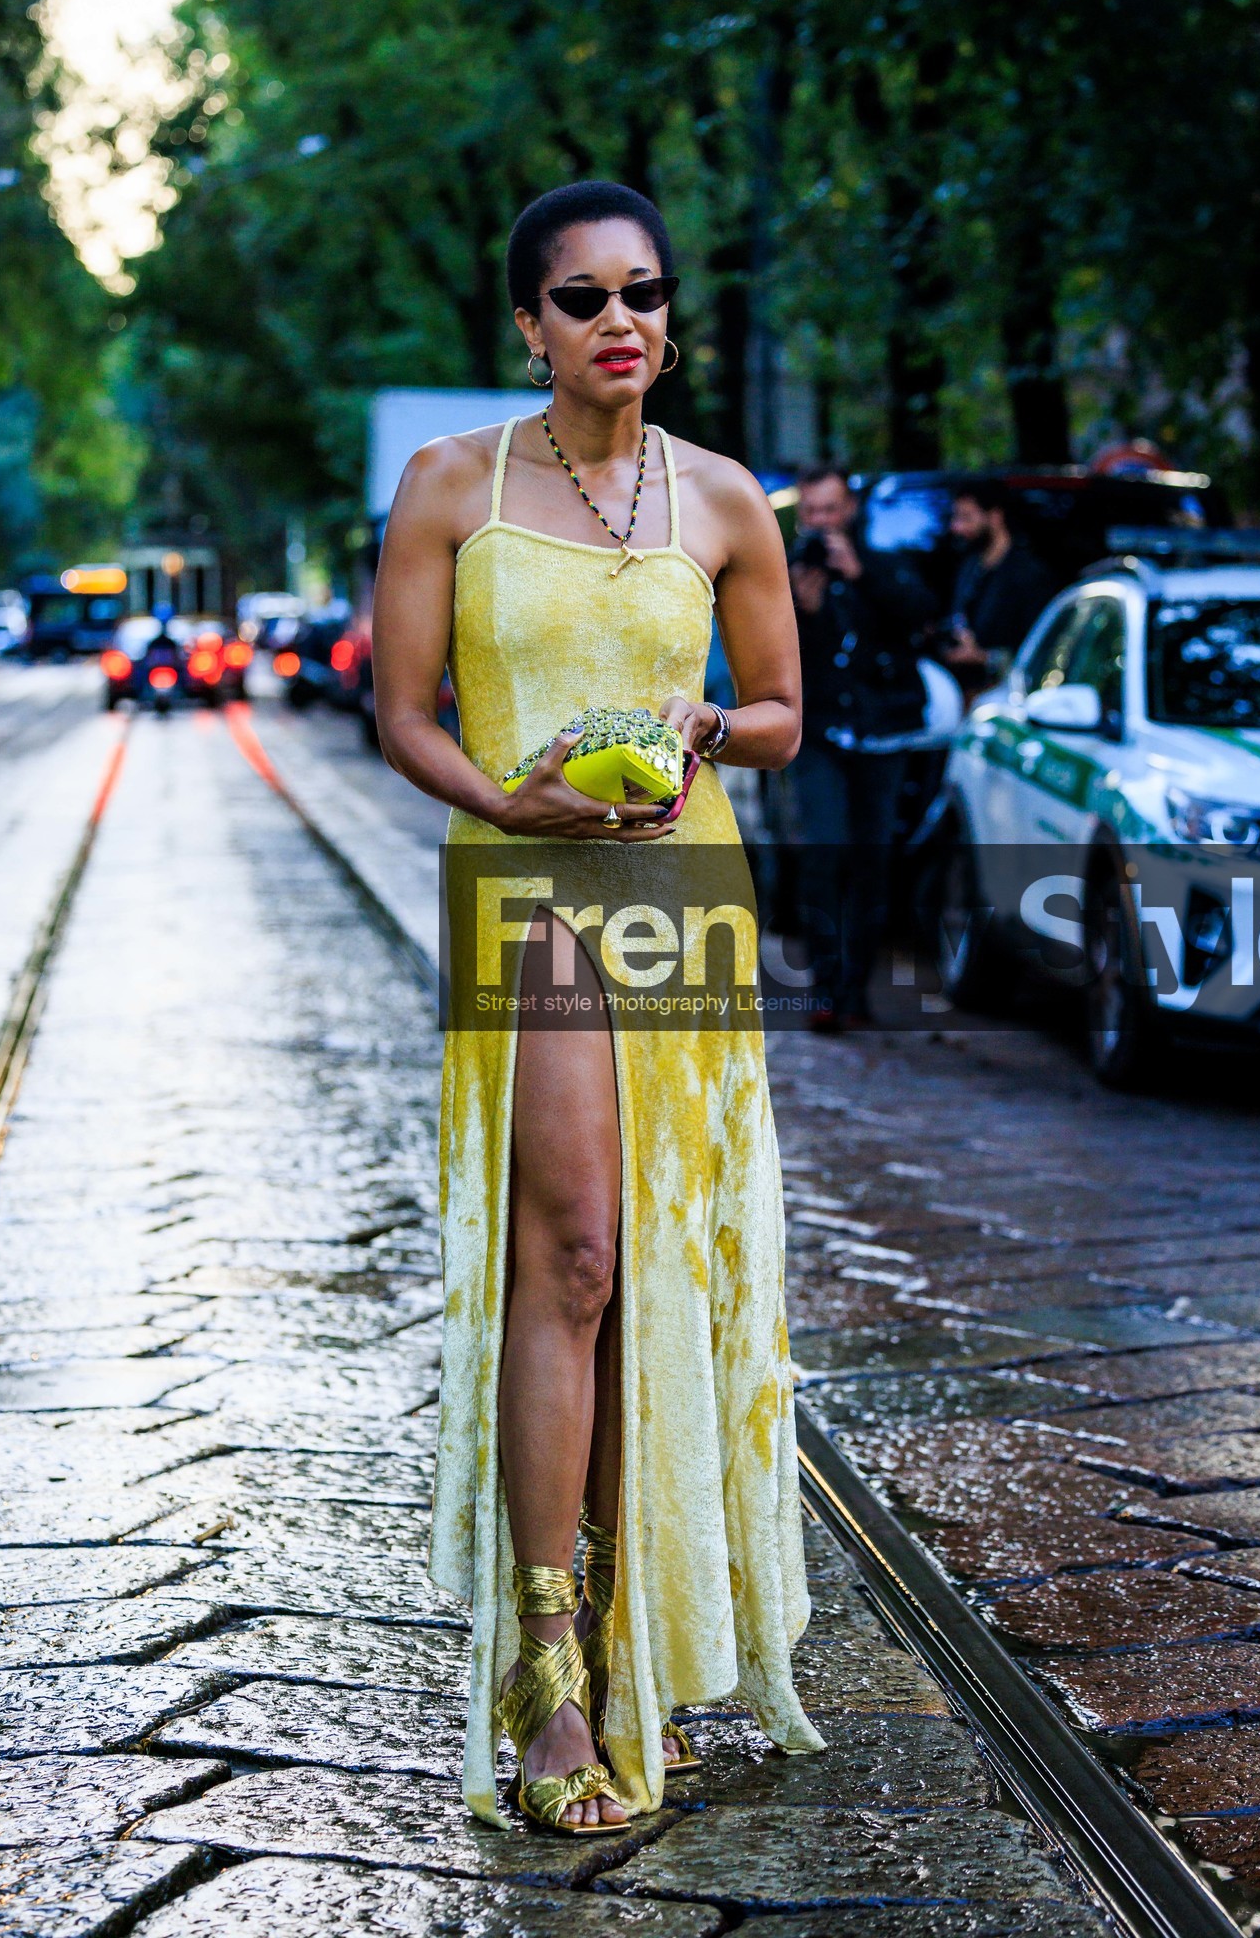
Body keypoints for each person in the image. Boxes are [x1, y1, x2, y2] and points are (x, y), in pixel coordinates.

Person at [372, 180, 821, 1836]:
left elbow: (783, 711)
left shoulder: (719, 496)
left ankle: (645, 1643)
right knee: (570, 1252)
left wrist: (708, 726)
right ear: (529, 324)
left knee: (659, 1269)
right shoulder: (451, 487)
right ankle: (548, 1676)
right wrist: (505, 805)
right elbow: (399, 714)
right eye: (581, 299)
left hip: (682, 889)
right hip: (528, 883)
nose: (618, 322)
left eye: (641, 292)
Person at [787, 466, 932, 1031]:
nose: (822, 523)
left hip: (883, 733)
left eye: (831, 510)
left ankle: (856, 988)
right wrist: (805, 607)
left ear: (849, 510)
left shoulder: (885, 561)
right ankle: (825, 987)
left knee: (873, 862)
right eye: (812, 512)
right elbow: (765, 651)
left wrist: (862, 574)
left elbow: (920, 615)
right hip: (820, 733)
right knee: (824, 852)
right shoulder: (789, 570)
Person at [941, 477, 1057, 681]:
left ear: (994, 517)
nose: (957, 527)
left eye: (966, 517)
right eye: (956, 518)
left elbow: (1040, 648)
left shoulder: (1027, 574)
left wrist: (984, 658)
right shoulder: (970, 567)